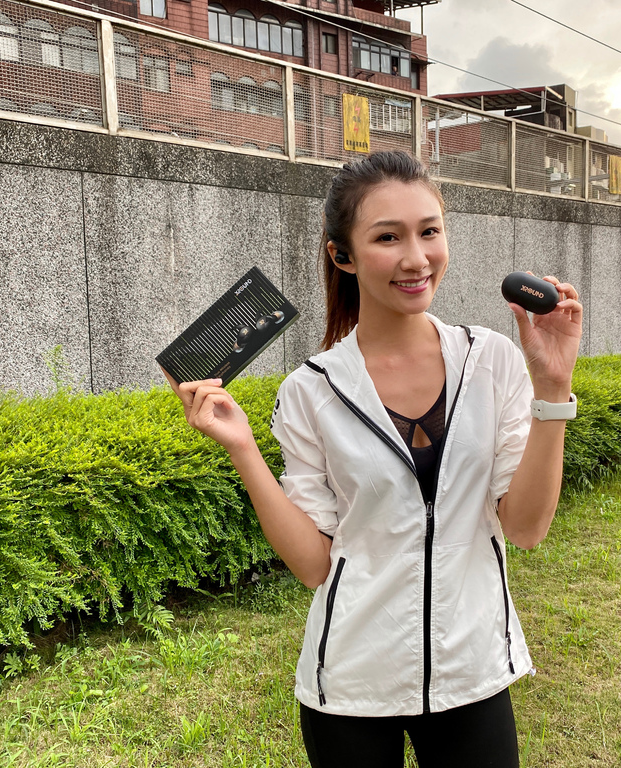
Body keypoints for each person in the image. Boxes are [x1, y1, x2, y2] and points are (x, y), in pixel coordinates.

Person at [164, 150, 582, 767]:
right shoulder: (311, 391)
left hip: (472, 670)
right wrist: (243, 448)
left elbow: (525, 528)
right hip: (353, 683)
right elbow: (312, 566)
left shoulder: (491, 361)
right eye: (387, 237)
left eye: (429, 231)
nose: (416, 258)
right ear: (343, 255)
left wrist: (552, 389)